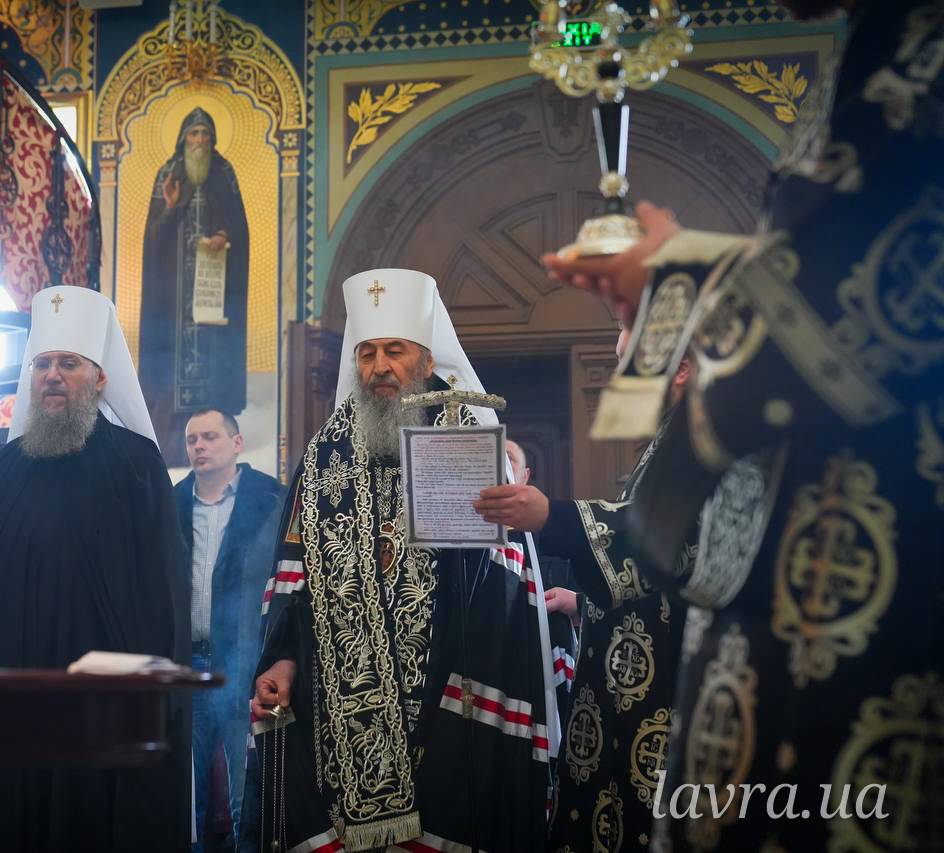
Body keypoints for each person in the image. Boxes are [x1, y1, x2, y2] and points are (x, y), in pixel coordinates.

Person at [543, 1, 944, 849]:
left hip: (886, 539)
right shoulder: (881, 38)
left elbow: (876, 291)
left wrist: (684, 279)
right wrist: (683, 278)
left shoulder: (925, 46)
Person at [246, 268, 558, 853]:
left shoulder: (464, 436)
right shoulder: (326, 453)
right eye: (367, 354)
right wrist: (283, 658)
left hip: (448, 699)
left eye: (395, 351)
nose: (379, 367)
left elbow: (500, 584)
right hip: (336, 715)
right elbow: (293, 577)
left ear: (426, 358)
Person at [0, 285, 189, 851]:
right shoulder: (1, 470)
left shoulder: (136, 465)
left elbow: (162, 597)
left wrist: (148, 701)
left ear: (101, 377)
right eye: (43, 364)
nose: (52, 376)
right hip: (12, 696)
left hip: (99, 707)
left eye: (69, 363)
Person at [478, 328, 693, 853]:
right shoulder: (671, 438)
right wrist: (584, 602)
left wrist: (551, 516)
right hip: (628, 684)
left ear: (683, 369)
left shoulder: (707, 440)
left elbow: (664, 536)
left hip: (667, 691)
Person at [175, 409, 284, 851]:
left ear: (236, 443)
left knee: (245, 788)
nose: (199, 446)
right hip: (188, 662)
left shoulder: (271, 500)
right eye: (192, 439)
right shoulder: (172, 504)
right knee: (187, 796)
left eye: (210, 437)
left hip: (244, 659)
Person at [140, 107, 251, 466]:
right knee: (171, 370)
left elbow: (239, 226)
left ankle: (216, 444)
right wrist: (171, 208)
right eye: (194, 134)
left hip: (214, 293)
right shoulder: (169, 174)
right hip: (173, 299)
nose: (199, 141)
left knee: (212, 365)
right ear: (183, 139)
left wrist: (225, 233)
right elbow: (153, 238)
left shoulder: (223, 172)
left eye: (205, 134)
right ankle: (174, 448)